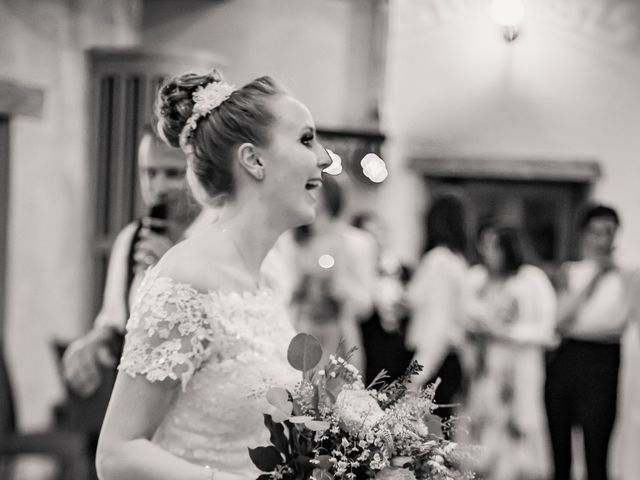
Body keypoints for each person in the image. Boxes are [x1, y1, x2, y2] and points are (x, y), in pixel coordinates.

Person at [96, 70, 331, 480]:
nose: (324, 157)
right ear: (254, 160)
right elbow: (116, 455)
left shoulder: (262, 285)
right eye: (306, 139)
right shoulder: (186, 280)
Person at [62, 126, 194, 398]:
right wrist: (90, 344)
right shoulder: (131, 238)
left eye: (172, 173)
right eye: (149, 172)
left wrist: (174, 273)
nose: (157, 187)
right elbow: (114, 322)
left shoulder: (218, 239)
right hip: (139, 398)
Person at [545, 203, 636, 480]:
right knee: (559, 447)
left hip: (603, 359)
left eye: (607, 232)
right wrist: (597, 275)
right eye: (595, 232)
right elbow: (560, 321)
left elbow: (618, 322)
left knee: (596, 447)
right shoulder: (571, 272)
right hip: (567, 358)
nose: (601, 239)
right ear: (584, 235)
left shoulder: (628, 276)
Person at [463, 222, 556, 480]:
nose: (487, 252)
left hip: (521, 366)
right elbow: (464, 316)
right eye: (484, 245)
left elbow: (547, 329)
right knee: (485, 427)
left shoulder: (531, 280)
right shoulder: (477, 279)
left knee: (521, 427)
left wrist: (506, 334)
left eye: (493, 246)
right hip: (486, 368)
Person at [289, 175, 377, 372]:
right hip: (302, 333)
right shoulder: (294, 242)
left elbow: (365, 303)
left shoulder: (356, 242)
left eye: (313, 188)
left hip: (338, 336)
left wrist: (340, 290)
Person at [405, 193, 470, 418]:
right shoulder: (457, 260)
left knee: (430, 438)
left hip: (434, 359)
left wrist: (417, 373)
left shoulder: (439, 260)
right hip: (448, 358)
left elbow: (437, 322)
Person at [351, 211, 414, 386]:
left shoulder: (403, 270)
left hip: (399, 349)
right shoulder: (357, 273)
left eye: (380, 231)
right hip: (368, 347)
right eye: (369, 233)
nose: (376, 238)